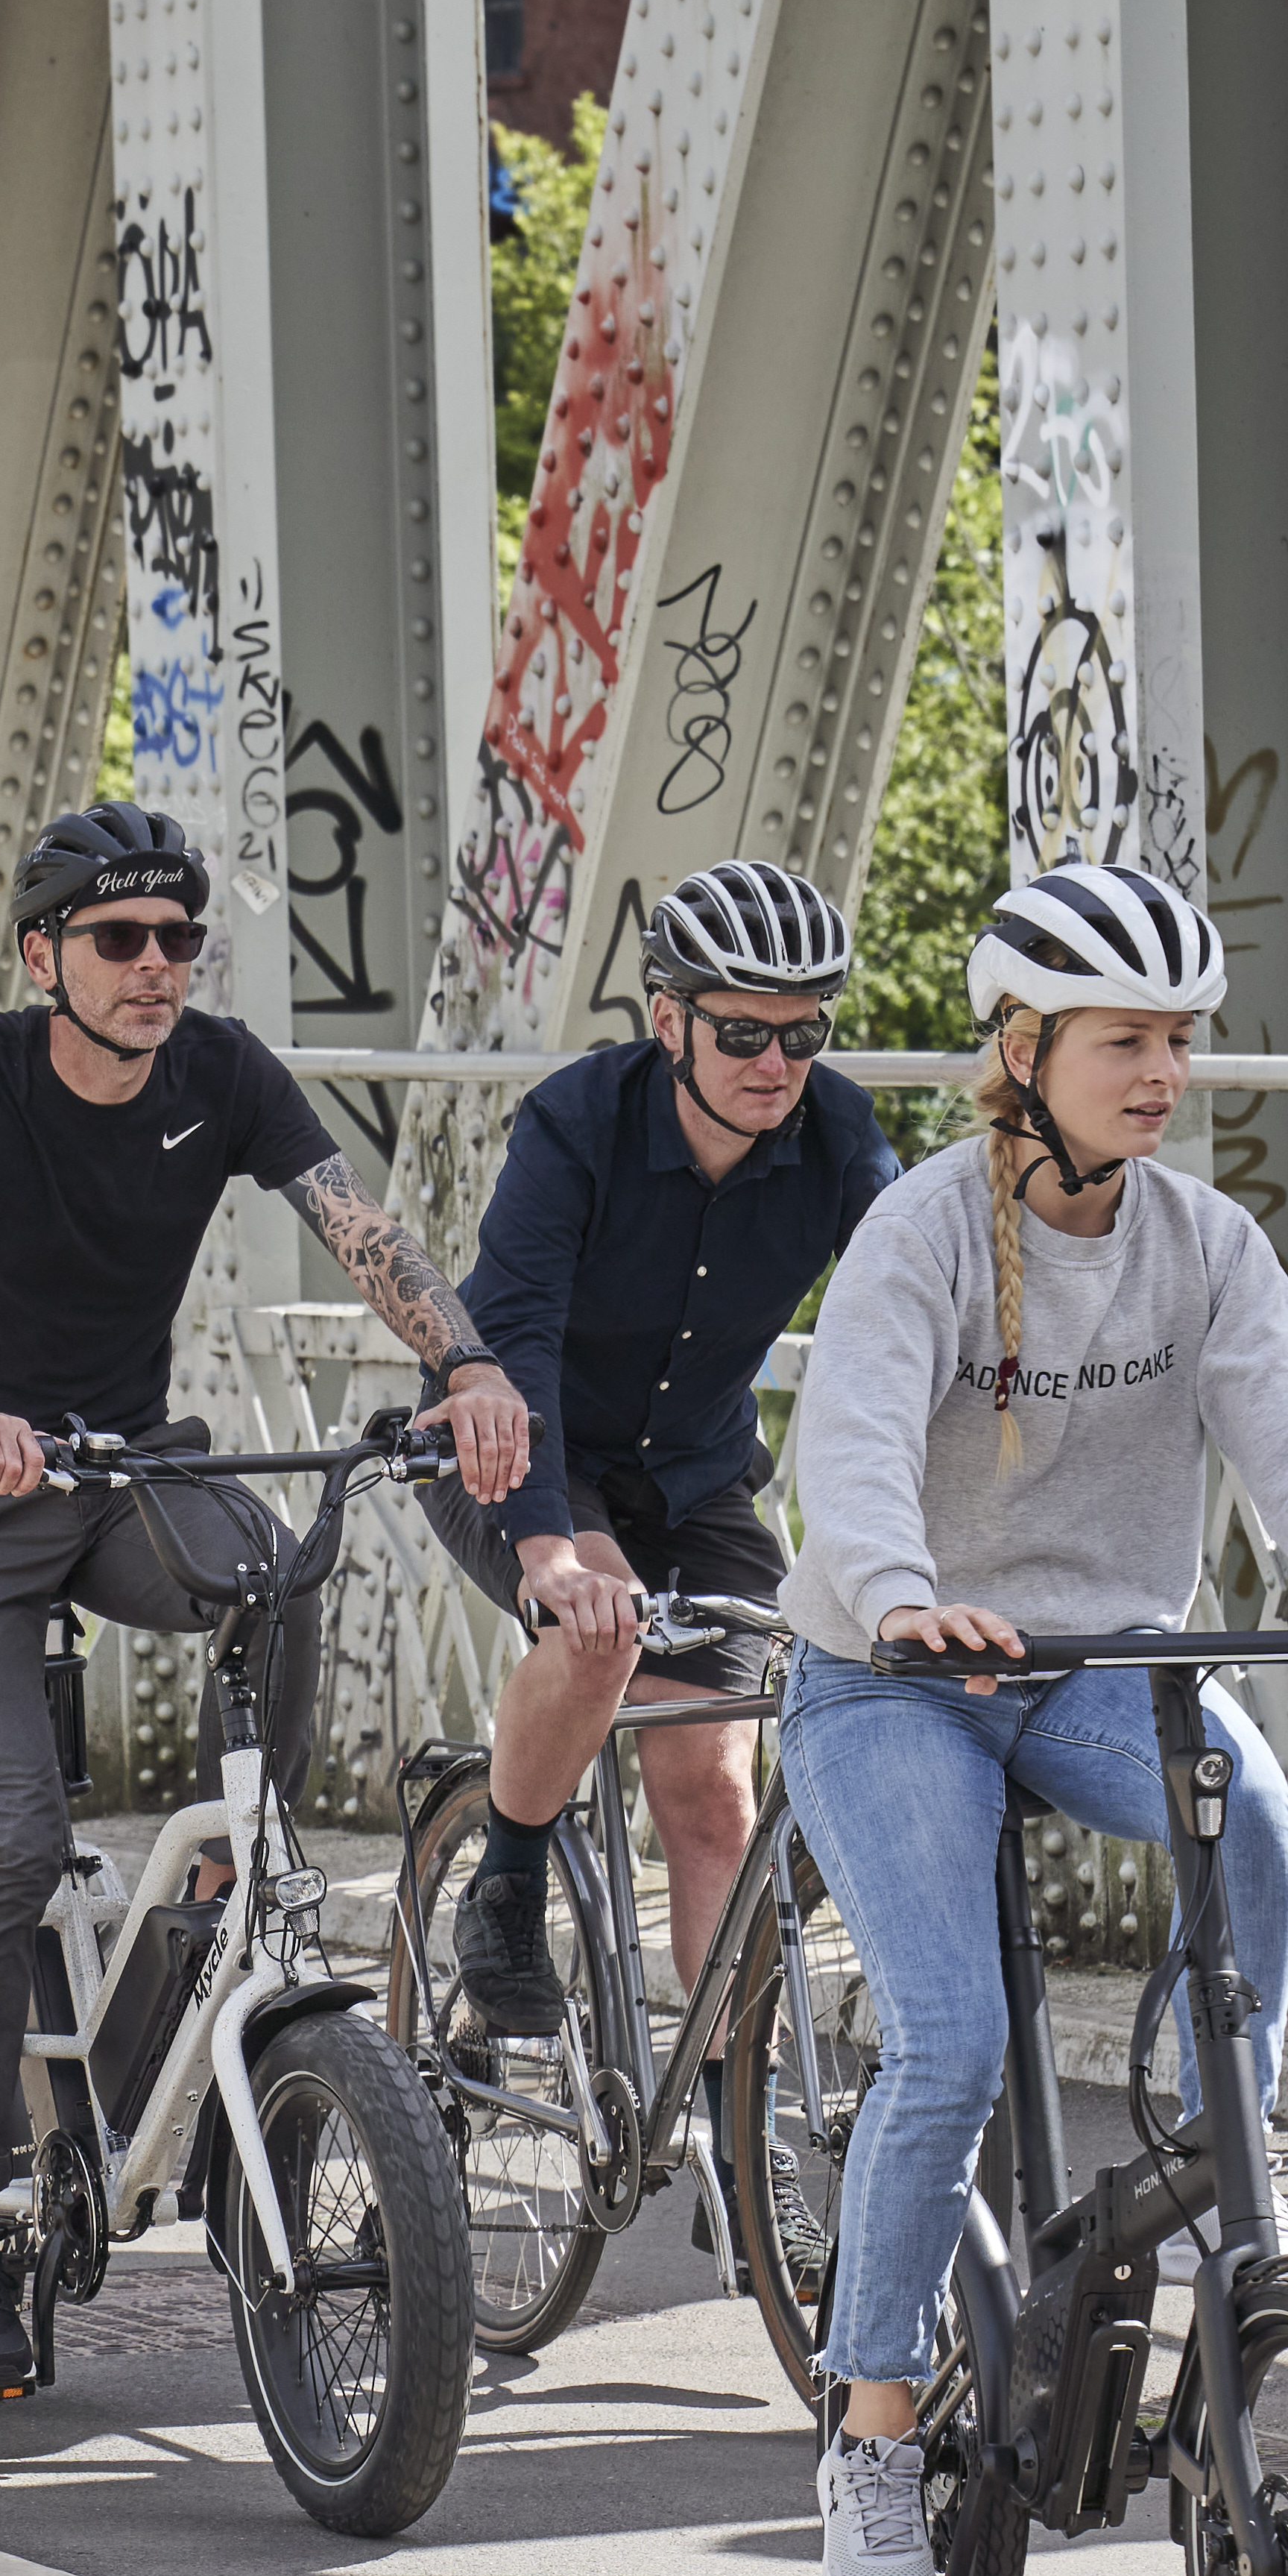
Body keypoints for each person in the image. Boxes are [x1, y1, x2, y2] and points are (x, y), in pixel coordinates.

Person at [777, 863, 1288, 2576]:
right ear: (1024, 1050)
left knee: (1258, 1822)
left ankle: (1224, 2143)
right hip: (894, 1675)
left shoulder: (1201, 1241)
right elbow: (848, 1440)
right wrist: (907, 1595)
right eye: (1123, 1041)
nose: (1161, 1072)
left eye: (1177, 1040)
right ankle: (864, 2432)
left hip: (1095, 1661)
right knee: (951, 2038)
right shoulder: (921, 1230)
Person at [0, 802, 534, 2400]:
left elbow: (357, 1225)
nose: (155, 968)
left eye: (176, 940)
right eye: (116, 940)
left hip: (118, 1477)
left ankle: (225, 1882)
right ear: (44, 957)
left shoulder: (217, 1069)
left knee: (279, 1567)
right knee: (6, 1837)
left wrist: (467, 1359)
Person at [427, 861, 913, 2033]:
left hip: (694, 1471)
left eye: (803, 1035)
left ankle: (732, 2125)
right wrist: (545, 1547)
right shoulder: (575, 1123)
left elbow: (917, 1326)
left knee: (710, 1793)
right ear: (667, 1020)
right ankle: (505, 1875)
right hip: (523, 1449)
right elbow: (521, 1338)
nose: (774, 1064)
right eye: (742, 1030)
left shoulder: (841, 1137)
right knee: (599, 1624)